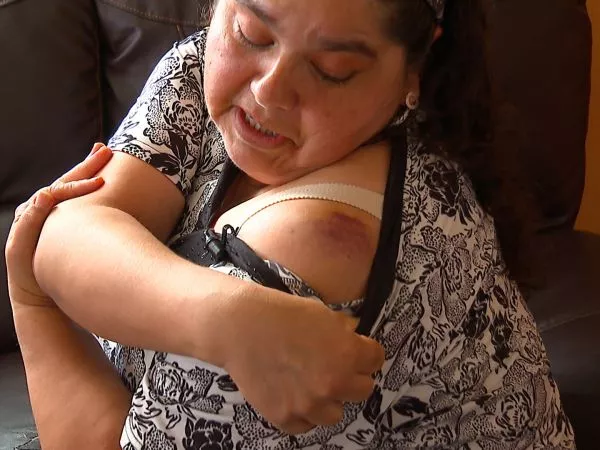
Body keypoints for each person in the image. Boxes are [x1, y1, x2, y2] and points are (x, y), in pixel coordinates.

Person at [8, 0, 575, 448]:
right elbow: (68, 232)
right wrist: (226, 317)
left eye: (332, 71)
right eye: (252, 33)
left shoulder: (311, 253)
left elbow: (61, 242)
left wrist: (34, 301)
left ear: (415, 67)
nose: (269, 90)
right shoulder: (197, 69)